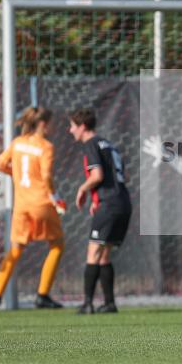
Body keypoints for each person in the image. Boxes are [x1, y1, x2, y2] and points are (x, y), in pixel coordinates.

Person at [0, 107, 65, 311]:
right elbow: (46, 176)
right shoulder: (46, 146)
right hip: (42, 203)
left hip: (22, 206)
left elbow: (0, 163)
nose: (52, 127)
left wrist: (17, 175)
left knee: (15, 251)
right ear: (43, 124)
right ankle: (42, 294)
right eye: (51, 123)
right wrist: (56, 197)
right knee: (57, 245)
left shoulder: (18, 143)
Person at [69, 108, 132, 314]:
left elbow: (97, 175)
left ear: (82, 127)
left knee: (93, 251)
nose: (70, 131)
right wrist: (97, 198)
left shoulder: (90, 145)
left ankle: (87, 303)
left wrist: (82, 189)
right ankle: (109, 303)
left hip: (109, 204)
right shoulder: (109, 145)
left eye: (72, 126)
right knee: (104, 254)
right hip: (122, 202)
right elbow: (124, 176)